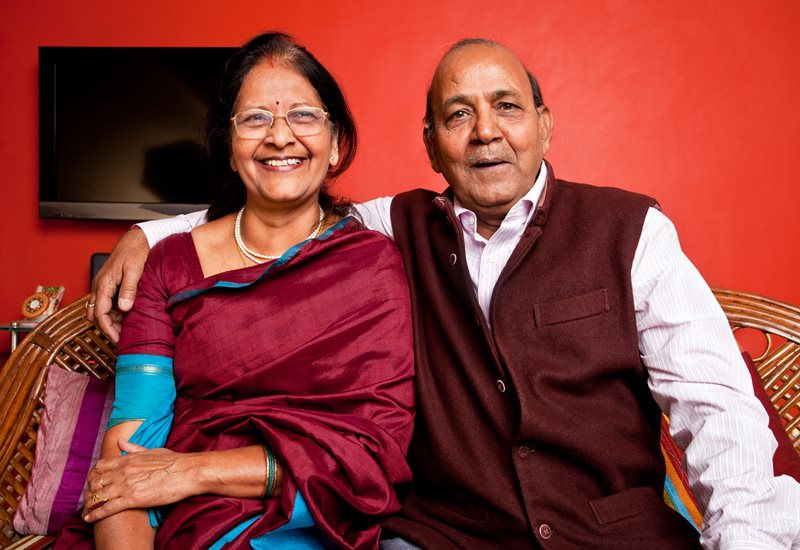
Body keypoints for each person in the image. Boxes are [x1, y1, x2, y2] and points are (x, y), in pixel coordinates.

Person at [90, 38, 800, 549]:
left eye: (506, 107)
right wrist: (152, 235)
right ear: (431, 145)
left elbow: (717, 412)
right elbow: (284, 197)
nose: (485, 131)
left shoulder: (631, 231)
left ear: (545, 125)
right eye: (457, 114)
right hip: (441, 537)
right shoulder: (389, 229)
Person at [59, 32, 415, 550]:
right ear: (229, 149)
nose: (279, 137)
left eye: (303, 115)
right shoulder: (169, 266)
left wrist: (198, 471)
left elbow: (372, 453)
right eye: (255, 119)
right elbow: (126, 456)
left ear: (336, 144)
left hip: (313, 516)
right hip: (169, 523)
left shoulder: (371, 266)